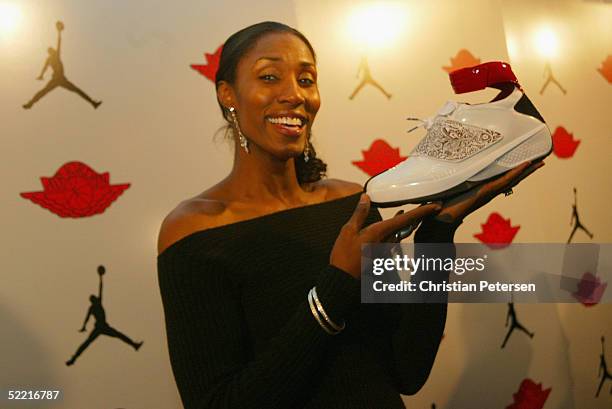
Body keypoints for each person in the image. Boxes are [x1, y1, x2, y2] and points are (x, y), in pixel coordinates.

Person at [156, 21, 544, 409]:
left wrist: (437, 235)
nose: (294, 95)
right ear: (228, 95)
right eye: (270, 76)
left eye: (306, 79)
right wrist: (336, 284)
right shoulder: (194, 230)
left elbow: (407, 371)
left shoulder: (353, 203)